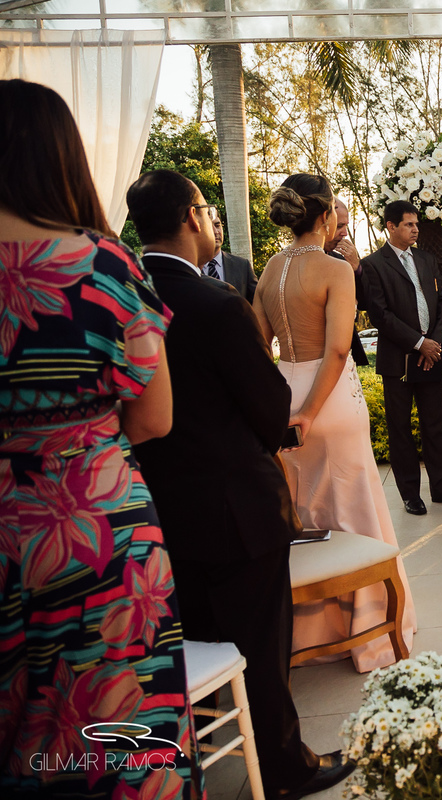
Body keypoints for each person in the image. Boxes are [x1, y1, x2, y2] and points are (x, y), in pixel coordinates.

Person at [0, 80, 202, 800]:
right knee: (119, 735)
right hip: (96, 528)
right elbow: (154, 419)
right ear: (62, 157)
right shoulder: (102, 264)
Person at [126, 169, 353, 800]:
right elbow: (269, 404)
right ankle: (284, 769)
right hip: (238, 510)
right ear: (193, 218)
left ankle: (201, 750)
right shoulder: (215, 303)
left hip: (163, 508)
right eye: (208, 212)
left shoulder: (126, 295)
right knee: (259, 642)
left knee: (195, 634)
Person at [254, 174, 417, 667]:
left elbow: (260, 342)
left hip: (285, 389)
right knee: (353, 510)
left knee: (307, 517)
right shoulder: (334, 270)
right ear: (325, 217)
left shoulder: (269, 269)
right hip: (328, 402)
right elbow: (340, 348)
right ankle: (368, 635)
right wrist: (311, 409)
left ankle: (310, 635)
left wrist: (290, 404)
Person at [361, 200, 442, 514]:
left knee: (434, 425)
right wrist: (418, 343)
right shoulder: (373, 264)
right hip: (398, 361)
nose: (415, 229)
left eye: (416, 224)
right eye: (408, 224)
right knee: (400, 429)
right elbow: (380, 316)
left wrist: (434, 343)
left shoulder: (426, 259)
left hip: (431, 356)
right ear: (390, 226)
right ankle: (411, 494)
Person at [325, 197, 370, 367]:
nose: (344, 233)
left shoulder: (342, 261)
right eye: (339, 226)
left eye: (346, 226)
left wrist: (356, 268)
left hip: (346, 356)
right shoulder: (292, 262)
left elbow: (365, 302)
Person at [203, 213, 258, 303]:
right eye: (209, 226)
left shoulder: (242, 265)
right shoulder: (191, 267)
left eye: (217, 225)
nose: (216, 232)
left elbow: (257, 302)